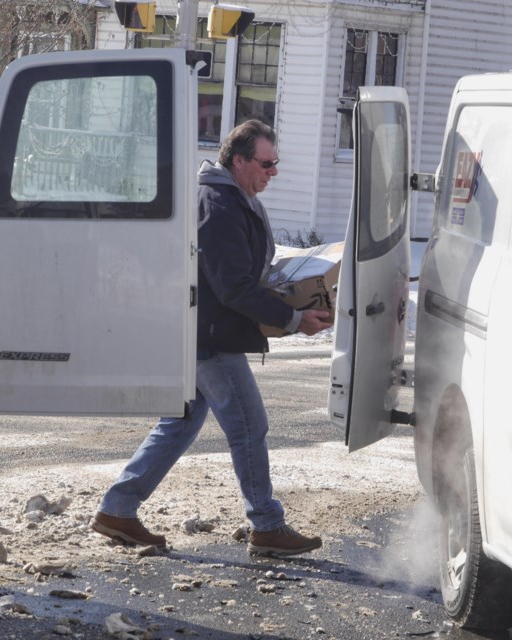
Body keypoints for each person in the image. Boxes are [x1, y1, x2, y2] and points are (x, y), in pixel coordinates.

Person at [92, 120, 333, 556]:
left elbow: (243, 273)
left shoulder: (232, 199)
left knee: (180, 422)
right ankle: (266, 525)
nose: (272, 172)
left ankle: (118, 509)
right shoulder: (219, 205)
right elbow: (234, 287)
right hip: (210, 336)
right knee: (249, 426)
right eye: (265, 163)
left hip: (200, 330)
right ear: (238, 160)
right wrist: (294, 319)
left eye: (275, 164)